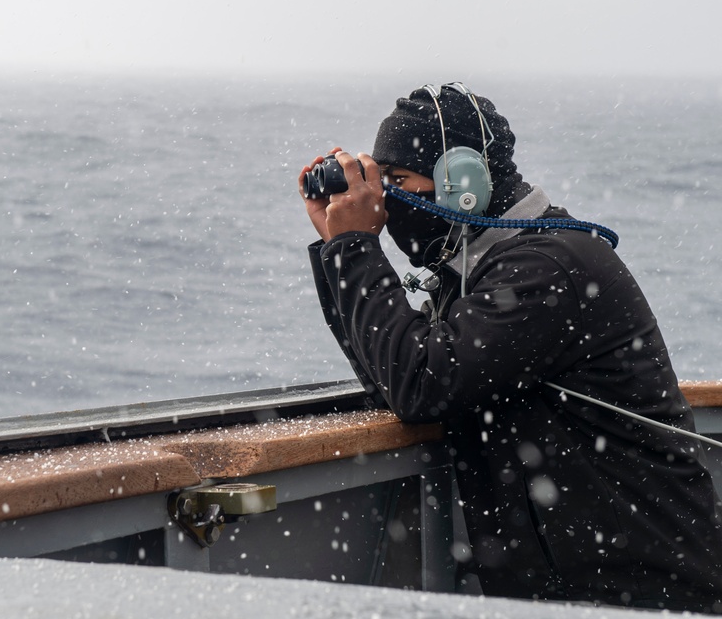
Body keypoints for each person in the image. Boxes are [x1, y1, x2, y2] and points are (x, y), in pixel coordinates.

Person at [297, 83, 722, 612]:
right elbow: (392, 378)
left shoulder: (548, 268)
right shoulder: (479, 275)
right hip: (579, 592)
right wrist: (337, 249)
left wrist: (353, 247)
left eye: (399, 181)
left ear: (462, 182)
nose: (386, 200)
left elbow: (421, 385)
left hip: (641, 593)